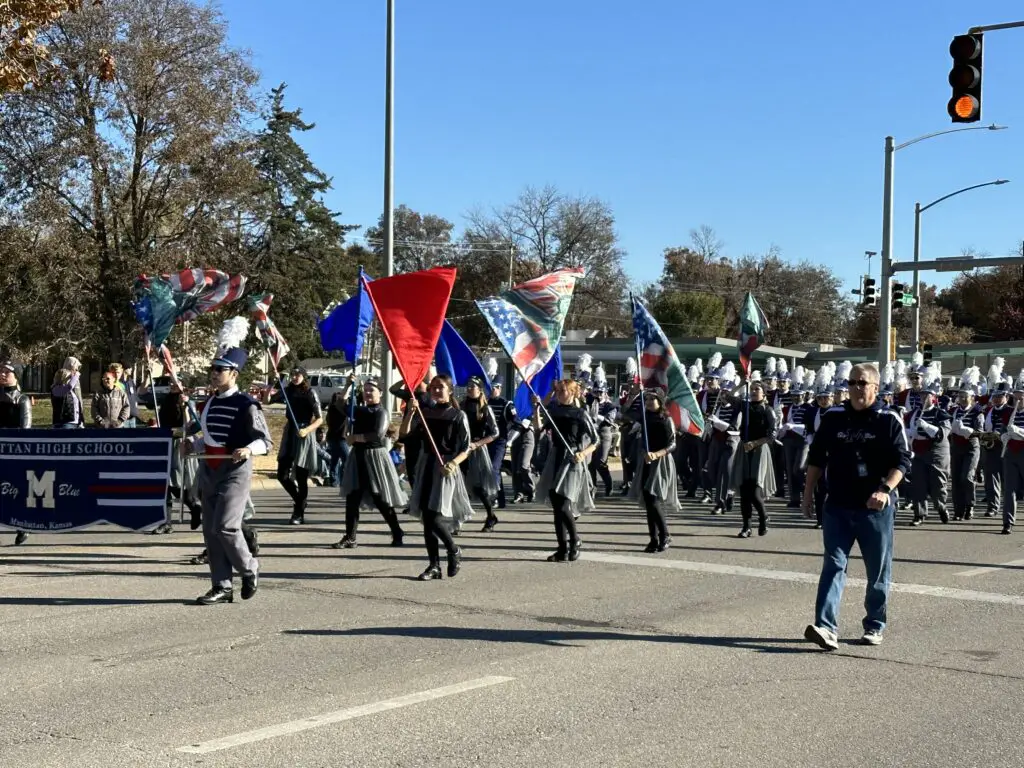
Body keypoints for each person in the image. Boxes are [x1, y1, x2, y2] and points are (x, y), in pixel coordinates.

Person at [802, 363, 911, 650]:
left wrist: (885, 490)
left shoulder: (888, 419)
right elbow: (816, 457)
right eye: (851, 383)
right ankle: (826, 627)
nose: (856, 388)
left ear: (875, 387)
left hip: (873, 508)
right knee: (834, 565)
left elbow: (902, 461)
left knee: (877, 570)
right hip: (837, 505)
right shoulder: (833, 417)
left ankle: (875, 624)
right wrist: (808, 493)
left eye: (862, 383)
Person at [184, 343, 271, 605]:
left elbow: (265, 442)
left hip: (234, 470)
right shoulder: (208, 402)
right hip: (209, 468)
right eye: (213, 369)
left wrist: (247, 449)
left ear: (234, 373)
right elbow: (210, 439)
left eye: (220, 369)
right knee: (211, 532)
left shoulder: (247, 404)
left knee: (226, 526)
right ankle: (221, 586)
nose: (214, 373)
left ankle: (249, 567)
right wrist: (192, 444)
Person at [400, 374, 470, 580]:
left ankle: (453, 549)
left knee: (433, 516)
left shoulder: (458, 415)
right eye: (433, 388)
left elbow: (466, 447)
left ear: (449, 390)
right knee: (426, 517)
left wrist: (454, 463)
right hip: (426, 464)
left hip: (446, 467)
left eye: (440, 387)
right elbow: (404, 434)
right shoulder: (425, 413)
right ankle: (434, 565)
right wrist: (411, 413)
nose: (436, 391)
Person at [336, 378, 407, 548]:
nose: (367, 393)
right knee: (352, 498)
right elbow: (340, 405)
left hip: (375, 457)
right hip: (358, 456)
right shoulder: (360, 410)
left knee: (380, 498)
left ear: (380, 393)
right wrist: (347, 385)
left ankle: (396, 530)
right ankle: (350, 537)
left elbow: (378, 434)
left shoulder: (381, 412)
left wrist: (356, 438)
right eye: (365, 390)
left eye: (371, 390)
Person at [532, 379, 597, 562]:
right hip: (556, 457)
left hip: (573, 459)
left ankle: (575, 540)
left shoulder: (580, 414)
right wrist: (537, 408)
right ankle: (562, 548)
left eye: (564, 390)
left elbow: (596, 440)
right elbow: (539, 429)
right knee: (556, 506)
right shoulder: (553, 412)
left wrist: (583, 454)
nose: (560, 393)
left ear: (574, 393)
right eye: (558, 390)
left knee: (563, 504)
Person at [269, 367, 323, 525]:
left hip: (304, 432)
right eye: (292, 374)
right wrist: (271, 385)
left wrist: (307, 430)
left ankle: (299, 512)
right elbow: (266, 401)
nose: (294, 377)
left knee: (301, 476)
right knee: (282, 475)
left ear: (304, 376)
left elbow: (320, 418)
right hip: (290, 431)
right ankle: (300, 501)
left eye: (298, 374)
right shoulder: (287, 391)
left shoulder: (311, 393)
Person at [628, 389, 678, 552]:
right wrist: (634, 394)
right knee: (649, 502)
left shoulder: (666, 419)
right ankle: (653, 539)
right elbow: (625, 414)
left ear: (660, 402)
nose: (649, 402)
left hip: (661, 461)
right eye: (647, 399)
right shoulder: (644, 417)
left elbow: (672, 444)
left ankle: (665, 535)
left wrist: (656, 454)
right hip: (646, 461)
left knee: (655, 500)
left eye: (652, 399)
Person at [733, 380, 776, 538]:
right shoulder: (744, 406)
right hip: (744, 448)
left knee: (755, 490)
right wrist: (741, 384)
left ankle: (763, 517)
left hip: (759, 450)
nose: (753, 391)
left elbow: (772, 435)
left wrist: (755, 443)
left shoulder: (768, 410)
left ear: (764, 393)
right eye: (751, 389)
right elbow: (728, 396)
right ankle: (746, 526)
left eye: (756, 389)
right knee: (744, 491)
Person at [905, 383, 952, 526]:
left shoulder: (941, 414)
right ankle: (919, 514)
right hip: (918, 452)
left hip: (936, 452)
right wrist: (910, 433)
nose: (924, 397)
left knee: (937, 485)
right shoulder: (914, 413)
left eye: (927, 395)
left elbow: (942, 434)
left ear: (933, 397)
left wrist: (926, 425)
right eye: (922, 394)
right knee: (918, 484)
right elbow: (908, 431)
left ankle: (941, 507)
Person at [461, 377, 501, 531]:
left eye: (473, 386)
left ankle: (491, 515)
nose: (470, 388)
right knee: (460, 485)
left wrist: (477, 444)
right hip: (461, 449)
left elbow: (495, 432)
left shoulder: (485, 408)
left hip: (477, 449)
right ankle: (459, 517)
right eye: (468, 386)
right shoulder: (461, 405)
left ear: (480, 389)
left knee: (478, 487)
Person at [0, 360, 32, 544]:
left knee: (15, 491)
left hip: (14, 452)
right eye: (1, 371)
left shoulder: (22, 399)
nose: (3, 374)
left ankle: (23, 525)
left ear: (16, 376)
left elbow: (24, 429)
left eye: (7, 372)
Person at [948, 382, 984, 521]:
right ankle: (958, 511)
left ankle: (970, 505)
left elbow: (980, 433)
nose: (962, 398)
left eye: (965, 396)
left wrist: (968, 431)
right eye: (960, 396)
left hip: (971, 446)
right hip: (956, 446)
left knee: (967, 477)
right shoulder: (953, 411)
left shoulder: (978, 412)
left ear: (972, 397)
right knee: (956, 479)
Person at [998, 378, 1024, 535]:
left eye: (1021, 396)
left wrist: (1020, 432)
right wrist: (1004, 436)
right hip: (1010, 453)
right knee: (1009, 489)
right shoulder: (1008, 413)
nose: (1018, 399)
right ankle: (1007, 522)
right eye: (1016, 396)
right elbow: (1002, 430)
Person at [486, 378, 515, 509]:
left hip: (500, 441)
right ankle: (500, 499)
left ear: (500, 388)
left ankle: (495, 497)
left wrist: (509, 440)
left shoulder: (507, 404)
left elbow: (517, 424)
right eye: (491, 386)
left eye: (496, 387)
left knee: (494, 468)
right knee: (492, 469)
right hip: (486, 440)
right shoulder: (485, 402)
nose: (493, 389)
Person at [588, 382, 619, 498]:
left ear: (605, 393)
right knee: (590, 463)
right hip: (591, 435)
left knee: (601, 462)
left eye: (601, 392)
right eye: (596, 392)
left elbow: (609, 420)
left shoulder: (610, 406)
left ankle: (608, 484)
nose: (598, 395)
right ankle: (592, 487)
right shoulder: (589, 404)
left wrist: (595, 417)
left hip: (604, 434)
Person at [50, 357, 84, 429]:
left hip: (75, 422)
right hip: (64, 423)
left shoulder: (70, 390)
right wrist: (76, 375)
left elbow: (78, 402)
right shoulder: (56, 389)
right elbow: (70, 386)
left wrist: (81, 420)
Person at [109, 362, 139, 428]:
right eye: (114, 372)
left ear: (121, 371)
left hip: (128, 416)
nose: (116, 375)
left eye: (118, 372)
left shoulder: (122, 385)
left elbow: (126, 401)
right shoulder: (108, 385)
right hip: (116, 420)